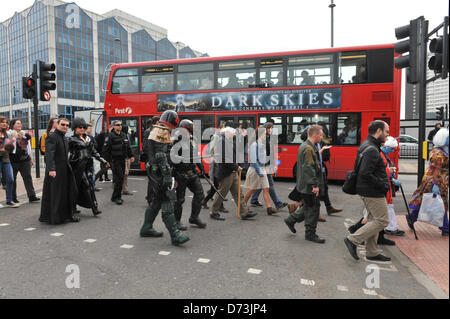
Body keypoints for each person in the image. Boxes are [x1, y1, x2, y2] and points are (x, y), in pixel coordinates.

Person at [139, 110, 190, 246]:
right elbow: (161, 157)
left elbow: (163, 154)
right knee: (167, 200)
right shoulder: (162, 131)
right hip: (160, 174)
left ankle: (147, 227)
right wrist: (167, 176)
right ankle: (175, 234)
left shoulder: (157, 130)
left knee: (156, 202)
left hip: (155, 172)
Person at [344, 120, 392, 262]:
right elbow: (365, 173)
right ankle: (353, 240)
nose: (388, 135)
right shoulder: (371, 149)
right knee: (383, 220)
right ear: (378, 131)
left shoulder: (368, 145)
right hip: (372, 191)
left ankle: (372, 252)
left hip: (367, 189)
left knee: (373, 219)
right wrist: (383, 185)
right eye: (386, 132)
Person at [284, 125, 326, 244]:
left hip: (305, 184)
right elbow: (309, 168)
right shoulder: (308, 148)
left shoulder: (308, 146)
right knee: (313, 209)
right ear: (315, 135)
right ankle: (310, 234)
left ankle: (290, 220)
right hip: (309, 186)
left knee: (308, 206)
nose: (322, 137)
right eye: (321, 135)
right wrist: (315, 185)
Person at [209, 125, 257, 221]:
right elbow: (225, 159)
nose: (235, 133)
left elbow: (237, 149)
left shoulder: (228, 141)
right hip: (226, 172)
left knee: (238, 193)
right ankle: (213, 212)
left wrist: (243, 137)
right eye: (233, 132)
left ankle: (244, 212)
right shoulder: (221, 142)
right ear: (227, 133)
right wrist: (236, 166)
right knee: (222, 192)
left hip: (232, 171)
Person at [408, 128, 449, 236]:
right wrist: (435, 185)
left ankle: (412, 217)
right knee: (440, 203)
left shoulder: (444, 149)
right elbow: (436, 170)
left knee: (426, 202)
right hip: (434, 181)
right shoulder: (438, 153)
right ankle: (445, 227)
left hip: (441, 181)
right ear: (443, 139)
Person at [39, 118, 79, 224]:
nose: (65, 126)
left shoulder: (64, 138)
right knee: (56, 194)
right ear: (57, 125)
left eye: (67, 125)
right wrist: (51, 169)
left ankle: (65, 216)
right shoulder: (52, 137)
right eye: (63, 124)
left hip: (65, 169)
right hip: (55, 170)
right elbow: (49, 154)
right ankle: (55, 217)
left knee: (66, 193)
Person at [69, 118, 109, 216]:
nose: (82, 129)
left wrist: (103, 160)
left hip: (88, 166)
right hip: (77, 167)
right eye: (80, 127)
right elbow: (65, 152)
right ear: (75, 128)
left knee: (89, 186)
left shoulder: (88, 138)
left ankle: (94, 208)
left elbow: (94, 151)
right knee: (79, 187)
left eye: (84, 127)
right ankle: (74, 208)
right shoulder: (71, 139)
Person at [173, 119, 207, 230]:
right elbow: (171, 157)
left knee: (200, 194)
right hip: (180, 174)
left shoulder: (193, 139)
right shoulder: (175, 140)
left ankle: (194, 217)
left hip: (192, 173)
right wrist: (182, 159)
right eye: (189, 128)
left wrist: (201, 168)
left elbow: (197, 155)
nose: (191, 130)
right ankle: (177, 222)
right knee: (180, 199)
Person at [249, 122, 288, 210]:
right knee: (269, 185)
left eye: (271, 128)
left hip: (265, 165)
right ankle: (277, 203)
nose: (271, 130)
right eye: (269, 128)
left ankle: (253, 200)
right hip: (264, 166)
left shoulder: (267, 138)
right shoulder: (263, 140)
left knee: (262, 185)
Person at [243, 126, 279, 216]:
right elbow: (254, 161)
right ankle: (242, 207)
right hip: (256, 170)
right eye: (264, 134)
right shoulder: (254, 145)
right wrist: (260, 172)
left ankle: (269, 208)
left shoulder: (260, 144)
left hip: (262, 169)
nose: (265, 135)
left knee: (266, 188)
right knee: (252, 190)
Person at [102, 120, 135, 205]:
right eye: (117, 125)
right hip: (114, 160)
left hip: (122, 160)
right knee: (119, 178)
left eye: (120, 125)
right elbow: (105, 150)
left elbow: (128, 147)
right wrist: (107, 161)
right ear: (114, 126)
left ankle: (114, 197)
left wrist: (131, 156)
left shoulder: (124, 135)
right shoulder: (110, 136)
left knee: (120, 178)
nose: (120, 126)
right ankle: (117, 197)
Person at [8, 119, 40, 204]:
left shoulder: (24, 134)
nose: (20, 124)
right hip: (13, 160)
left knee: (28, 178)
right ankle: (13, 198)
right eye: (18, 123)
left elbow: (28, 147)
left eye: (20, 123)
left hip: (25, 160)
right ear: (13, 125)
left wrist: (31, 159)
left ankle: (32, 196)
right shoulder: (9, 134)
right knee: (12, 179)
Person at [201, 124, 229, 214]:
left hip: (219, 171)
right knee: (218, 189)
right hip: (217, 173)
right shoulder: (216, 137)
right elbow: (212, 166)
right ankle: (220, 206)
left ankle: (204, 201)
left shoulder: (221, 138)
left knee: (215, 190)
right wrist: (211, 178)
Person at [316, 127, 342, 219]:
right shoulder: (310, 145)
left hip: (321, 169)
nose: (322, 136)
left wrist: (325, 151)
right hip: (315, 170)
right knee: (316, 191)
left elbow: (325, 157)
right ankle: (296, 210)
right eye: (321, 135)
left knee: (325, 188)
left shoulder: (322, 143)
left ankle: (328, 207)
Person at [142, 116, 160, 205]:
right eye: (159, 122)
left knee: (155, 179)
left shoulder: (157, 131)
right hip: (151, 159)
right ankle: (150, 199)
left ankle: (153, 197)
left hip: (155, 159)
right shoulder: (148, 131)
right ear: (156, 122)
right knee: (152, 180)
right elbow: (145, 147)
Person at [0, 116, 17, 208]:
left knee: (10, 179)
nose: (4, 124)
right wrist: (9, 143)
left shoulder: (7, 134)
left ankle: (9, 200)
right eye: (2, 122)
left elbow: (9, 147)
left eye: (6, 122)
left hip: (6, 159)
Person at [121, 124, 133, 196]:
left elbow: (129, 147)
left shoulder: (127, 136)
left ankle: (125, 189)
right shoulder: (122, 136)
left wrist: (131, 155)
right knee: (125, 173)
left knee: (126, 174)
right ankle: (123, 189)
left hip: (127, 157)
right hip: (124, 158)